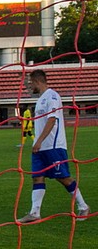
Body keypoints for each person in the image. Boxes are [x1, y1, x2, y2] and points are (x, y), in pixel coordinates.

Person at [17, 70, 89, 223]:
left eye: (30, 83)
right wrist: (37, 143)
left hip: (53, 146)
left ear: (37, 81)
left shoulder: (52, 96)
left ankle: (83, 206)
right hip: (40, 148)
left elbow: (52, 120)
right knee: (37, 177)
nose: (30, 86)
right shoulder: (40, 99)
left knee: (63, 178)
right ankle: (35, 212)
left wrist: (39, 141)